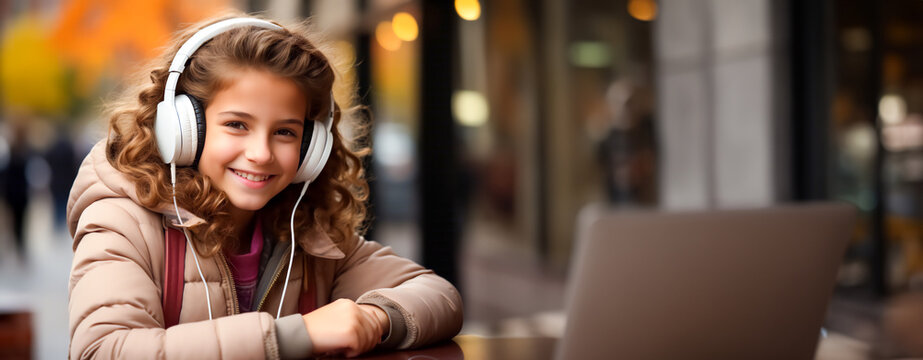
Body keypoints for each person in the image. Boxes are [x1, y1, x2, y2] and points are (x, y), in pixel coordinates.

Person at [67, 13, 462, 359]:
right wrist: (298, 336)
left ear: (311, 149)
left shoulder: (305, 229)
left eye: (285, 132)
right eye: (237, 124)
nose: (261, 153)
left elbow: (439, 296)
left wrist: (374, 317)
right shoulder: (121, 218)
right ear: (182, 130)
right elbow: (103, 349)